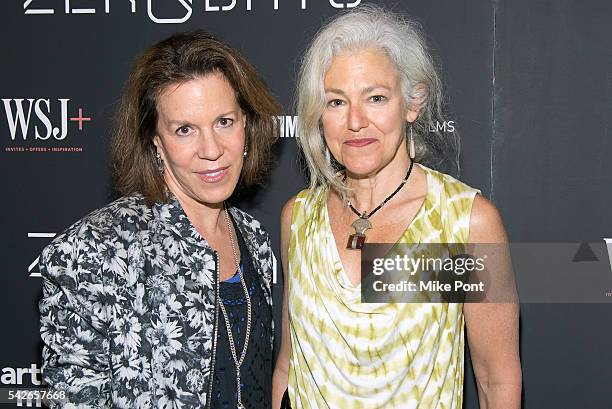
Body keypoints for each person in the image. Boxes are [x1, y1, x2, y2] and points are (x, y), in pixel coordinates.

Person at [272, 6, 521, 409]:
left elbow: (496, 379)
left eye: (375, 98)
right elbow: (288, 365)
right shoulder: (298, 217)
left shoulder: (464, 222)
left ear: (412, 103)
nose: (355, 121)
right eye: (336, 102)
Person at [38, 30, 281, 408]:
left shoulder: (253, 237)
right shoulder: (94, 250)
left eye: (224, 121)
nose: (212, 150)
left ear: (246, 124)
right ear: (155, 140)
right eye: (185, 130)